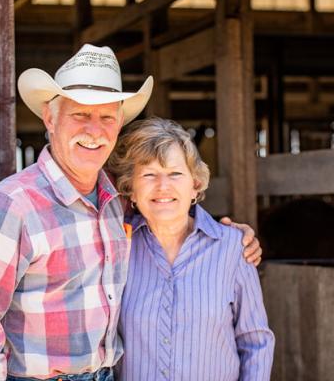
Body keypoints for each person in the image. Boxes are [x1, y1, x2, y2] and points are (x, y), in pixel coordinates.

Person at [0, 44, 262, 381]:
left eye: (107, 117)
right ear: (50, 118)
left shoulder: (117, 203)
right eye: (80, 114)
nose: (94, 131)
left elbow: (167, 204)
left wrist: (226, 235)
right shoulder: (11, 206)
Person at [108, 117, 275, 381]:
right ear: (131, 190)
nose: (163, 186)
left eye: (175, 174)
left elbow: (256, 343)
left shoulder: (232, 249)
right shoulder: (115, 245)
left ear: (195, 185)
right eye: (149, 175)